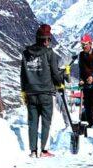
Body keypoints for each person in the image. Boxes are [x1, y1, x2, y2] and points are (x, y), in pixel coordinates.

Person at [20, 24, 62, 158]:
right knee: (46, 122)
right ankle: (43, 150)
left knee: (32, 122)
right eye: (49, 39)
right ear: (46, 40)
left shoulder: (26, 53)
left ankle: (32, 151)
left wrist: (23, 91)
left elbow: (22, 74)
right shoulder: (50, 54)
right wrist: (61, 80)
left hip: (30, 92)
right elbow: (55, 74)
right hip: (45, 93)